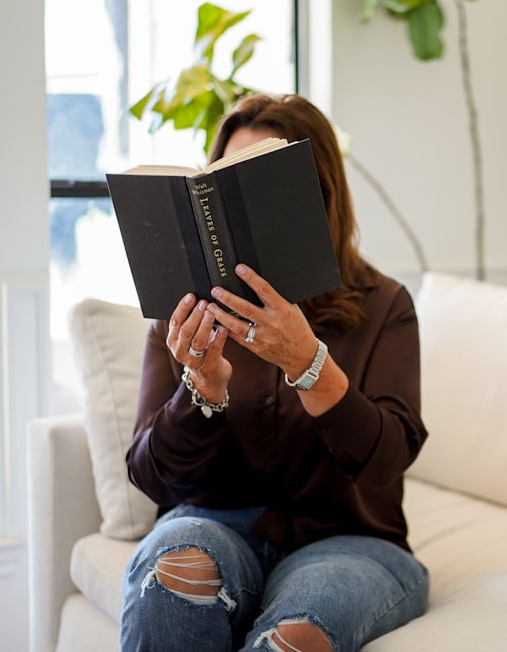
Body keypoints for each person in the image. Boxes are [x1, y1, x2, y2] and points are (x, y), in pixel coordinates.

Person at [120, 93, 429, 652]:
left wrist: (309, 365)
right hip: (212, 523)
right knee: (179, 568)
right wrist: (202, 392)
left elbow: (388, 460)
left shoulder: (385, 304)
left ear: (320, 195)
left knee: (297, 637)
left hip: (350, 541)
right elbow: (150, 476)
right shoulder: (184, 310)